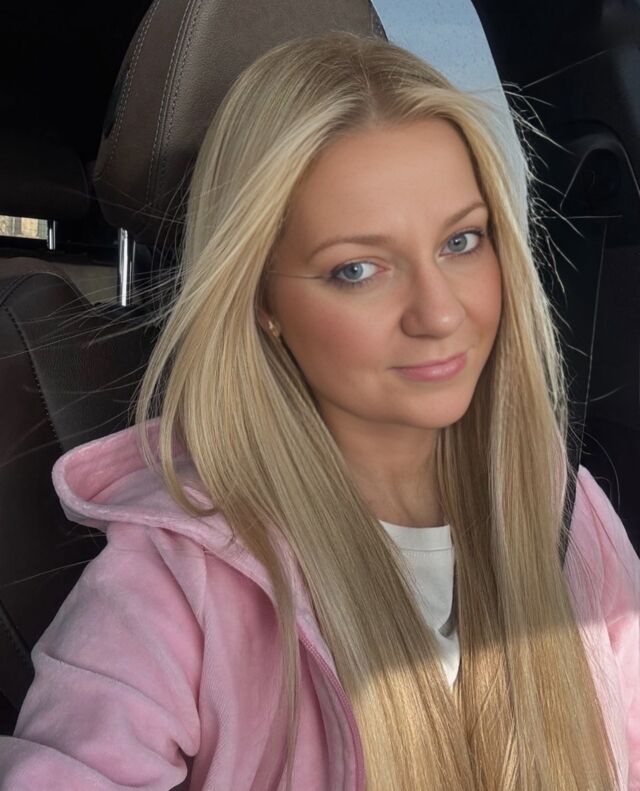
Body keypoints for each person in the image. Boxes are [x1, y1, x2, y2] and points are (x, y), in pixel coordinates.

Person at [0, 31, 637, 791]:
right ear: (263, 301)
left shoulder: (567, 510)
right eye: (357, 269)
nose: (440, 313)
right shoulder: (176, 584)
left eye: (462, 240)